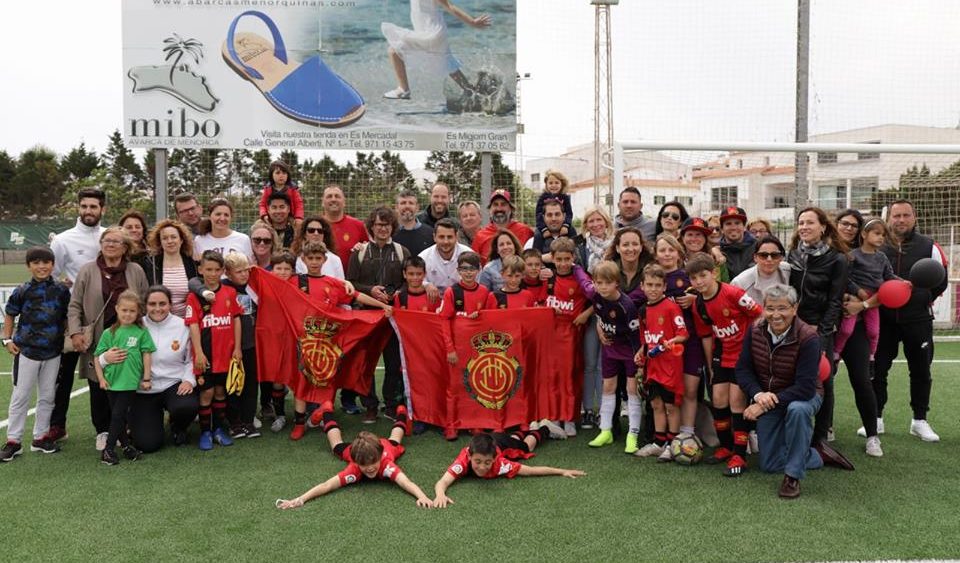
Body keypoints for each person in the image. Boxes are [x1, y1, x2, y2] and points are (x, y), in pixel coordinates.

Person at [289, 242, 392, 440]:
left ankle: (325, 416)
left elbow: (357, 295)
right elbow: (277, 287)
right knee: (302, 381)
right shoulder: (296, 281)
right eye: (310, 258)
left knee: (327, 378)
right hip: (305, 341)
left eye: (318, 258)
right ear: (303, 259)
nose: (314, 262)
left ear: (325, 260)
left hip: (328, 342)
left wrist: (380, 305)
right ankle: (300, 423)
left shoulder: (333, 283)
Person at [735, 284, 826, 499]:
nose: (776, 315)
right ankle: (815, 454)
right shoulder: (755, 329)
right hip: (769, 397)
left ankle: (792, 477)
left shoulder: (808, 337)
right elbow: (743, 369)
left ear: (795, 309)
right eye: (770, 308)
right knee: (769, 465)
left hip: (804, 396)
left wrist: (763, 403)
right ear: (764, 309)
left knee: (797, 410)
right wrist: (758, 395)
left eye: (783, 308)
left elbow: (805, 388)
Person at [67, 227, 149, 451]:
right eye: (106, 240)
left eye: (116, 241)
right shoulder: (87, 270)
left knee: (127, 385)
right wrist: (75, 332)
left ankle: (126, 430)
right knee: (99, 385)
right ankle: (103, 430)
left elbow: (143, 302)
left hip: (129, 339)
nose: (110, 244)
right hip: (99, 339)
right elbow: (74, 305)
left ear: (125, 247)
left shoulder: (136, 271)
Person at [872, 200, 947, 443]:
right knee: (878, 370)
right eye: (896, 216)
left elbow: (941, 279)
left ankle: (919, 420)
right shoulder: (877, 244)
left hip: (918, 320)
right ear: (889, 218)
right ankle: (876, 418)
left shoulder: (929, 246)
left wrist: (921, 298)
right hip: (883, 320)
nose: (901, 220)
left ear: (914, 218)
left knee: (921, 370)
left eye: (906, 215)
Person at [687, 252, 762, 476]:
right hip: (722, 355)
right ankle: (726, 447)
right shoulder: (698, 304)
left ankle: (740, 454)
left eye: (703, 275)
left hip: (744, 356)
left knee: (736, 402)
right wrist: (711, 366)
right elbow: (707, 336)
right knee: (718, 400)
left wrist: (754, 346)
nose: (699, 281)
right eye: (693, 278)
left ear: (714, 273)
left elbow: (759, 315)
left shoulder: (733, 293)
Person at [276, 403, 432, 508]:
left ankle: (402, 413)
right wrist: (299, 499)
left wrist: (422, 496)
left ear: (379, 457)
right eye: (365, 465)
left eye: (373, 463)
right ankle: (326, 411)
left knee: (395, 439)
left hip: (386, 447)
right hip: (358, 448)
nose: (370, 468)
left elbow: (406, 482)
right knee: (336, 446)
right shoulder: (354, 466)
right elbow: (327, 485)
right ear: (356, 462)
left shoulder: (386, 464)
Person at [787, 207, 851, 463]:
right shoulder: (792, 255)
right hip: (792, 326)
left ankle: (821, 436)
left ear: (823, 226)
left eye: (810, 223)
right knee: (791, 377)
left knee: (823, 380)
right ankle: (792, 431)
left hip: (818, 329)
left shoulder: (838, 259)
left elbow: (835, 301)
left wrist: (821, 331)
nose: (804, 227)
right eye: (801, 222)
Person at [47, 187, 106, 443]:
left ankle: (104, 428)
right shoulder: (62, 240)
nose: (88, 211)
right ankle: (57, 425)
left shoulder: (109, 236)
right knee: (62, 374)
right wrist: (63, 285)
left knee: (99, 373)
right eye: (84, 206)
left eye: (93, 207)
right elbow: (51, 275)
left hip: (103, 317)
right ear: (78, 208)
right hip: (73, 319)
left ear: (102, 209)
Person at [1, 247, 71, 461]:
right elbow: (10, 315)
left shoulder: (61, 290)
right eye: (36, 262)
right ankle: (14, 440)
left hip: (53, 352)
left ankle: (40, 437)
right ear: (29, 266)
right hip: (27, 351)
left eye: (46, 262)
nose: (42, 266)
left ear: (52, 264)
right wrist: (7, 339)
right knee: (21, 396)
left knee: (48, 396)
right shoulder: (22, 290)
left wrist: (69, 337)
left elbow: (66, 316)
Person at [343, 206, 411, 424]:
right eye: (379, 224)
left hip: (393, 317)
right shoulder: (359, 253)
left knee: (393, 363)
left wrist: (396, 293)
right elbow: (351, 284)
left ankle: (391, 405)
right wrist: (370, 290)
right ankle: (370, 406)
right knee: (366, 363)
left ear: (393, 226)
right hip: (365, 316)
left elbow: (409, 282)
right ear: (371, 226)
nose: (383, 228)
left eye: (387, 224)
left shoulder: (402, 252)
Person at [572, 260, 639, 452]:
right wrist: (575, 265)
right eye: (598, 282)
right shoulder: (594, 294)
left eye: (606, 283)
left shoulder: (626, 306)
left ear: (616, 283)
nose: (602, 287)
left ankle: (632, 434)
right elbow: (583, 280)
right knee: (608, 387)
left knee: (632, 389)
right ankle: (605, 430)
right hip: (610, 349)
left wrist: (639, 359)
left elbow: (636, 336)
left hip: (629, 351)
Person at [124, 286, 198, 452]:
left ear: (170, 304)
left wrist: (188, 380)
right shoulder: (135, 326)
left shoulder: (182, 326)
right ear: (145, 306)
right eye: (152, 304)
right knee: (148, 445)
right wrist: (105, 358)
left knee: (186, 406)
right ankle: (139, 421)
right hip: (143, 388)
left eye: (162, 303)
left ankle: (178, 426)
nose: (158, 308)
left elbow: (191, 359)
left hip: (173, 383)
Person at [833, 209, 882, 456]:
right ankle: (824, 429)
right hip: (826, 325)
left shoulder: (872, 256)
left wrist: (861, 304)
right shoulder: (824, 248)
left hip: (858, 323)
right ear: (835, 224)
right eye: (845, 223)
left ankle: (873, 435)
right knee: (823, 380)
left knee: (861, 380)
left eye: (854, 225)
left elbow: (882, 291)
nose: (849, 228)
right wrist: (843, 298)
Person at [432, 429, 586, 508]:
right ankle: (522, 433)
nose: (482, 467)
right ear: (470, 456)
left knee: (526, 447)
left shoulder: (501, 464)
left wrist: (562, 471)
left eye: (487, 462)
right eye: (477, 461)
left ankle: (543, 429)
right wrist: (440, 495)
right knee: (514, 439)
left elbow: (531, 471)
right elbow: (443, 482)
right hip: (494, 439)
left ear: (494, 459)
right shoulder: (463, 461)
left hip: (503, 444)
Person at [184, 250, 241, 451]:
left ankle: (218, 429)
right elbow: (192, 325)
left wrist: (238, 348)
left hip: (225, 354)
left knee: (220, 392)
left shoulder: (230, 293)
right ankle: (205, 432)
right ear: (200, 270)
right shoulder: (194, 297)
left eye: (217, 270)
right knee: (206, 393)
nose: (213, 273)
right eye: (208, 269)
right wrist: (198, 352)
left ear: (223, 271)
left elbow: (236, 319)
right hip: (206, 355)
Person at [93, 289, 156, 465]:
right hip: (111, 381)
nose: (128, 314)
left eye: (132, 311)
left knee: (118, 415)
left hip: (128, 381)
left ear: (138, 313)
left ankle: (109, 449)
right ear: (117, 309)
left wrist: (146, 378)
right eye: (124, 310)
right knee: (117, 415)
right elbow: (97, 357)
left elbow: (147, 354)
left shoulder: (141, 332)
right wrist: (101, 379)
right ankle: (124, 448)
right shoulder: (109, 333)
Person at [381, 0, 491, 100]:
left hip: (431, 33)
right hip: (434, 32)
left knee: (394, 50)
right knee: (447, 62)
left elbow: (450, 6)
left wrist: (472, 22)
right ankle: (472, 91)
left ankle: (403, 89)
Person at [633, 264, 688, 461]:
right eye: (649, 285)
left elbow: (683, 334)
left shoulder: (671, 307)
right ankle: (658, 442)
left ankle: (672, 445)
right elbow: (645, 339)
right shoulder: (642, 311)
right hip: (652, 366)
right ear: (642, 286)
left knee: (671, 406)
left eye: (658, 285)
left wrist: (669, 344)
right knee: (656, 404)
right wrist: (641, 352)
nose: (653, 289)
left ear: (664, 287)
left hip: (670, 366)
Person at [834, 219, 898, 365]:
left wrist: (903, 282)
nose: (881, 238)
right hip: (854, 299)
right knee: (846, 330)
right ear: (864, 234)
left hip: (874, 300)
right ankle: (836, 353)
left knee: (874, 331)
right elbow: (846, 278)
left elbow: (889, 276)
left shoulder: (881, 257)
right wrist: (858, 290)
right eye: (877, 233)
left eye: (883, 235)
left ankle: (871, 356)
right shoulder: (853, 255)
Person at [573, 206, 614, 428]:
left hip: (609, 312)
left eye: (599, 220)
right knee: (590, 363)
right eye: (591, 221)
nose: (596, 224)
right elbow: (585, 285)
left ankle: (603, 410)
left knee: (602, 364)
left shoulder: (615, 247)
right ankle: (588, 409)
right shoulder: (581, 248)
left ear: (606, 222)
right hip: (588, 312)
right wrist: (590, 309)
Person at [222, 253, 261, 439]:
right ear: (228, 273)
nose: (244, 274)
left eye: (246, 270)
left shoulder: (254, 287)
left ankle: (248, 421)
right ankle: (234, 422)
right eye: (239, 271)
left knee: (251, 385)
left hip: (252, 344)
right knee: (233, 384)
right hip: (231, 346)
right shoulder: (222, 289)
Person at [141, 219, 197, 318]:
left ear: (181, 240)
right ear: (160, 242)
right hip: (159, 320)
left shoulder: (192, 264)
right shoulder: (150, 264)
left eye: (174, 237)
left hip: (188, 322)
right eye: (165, 238)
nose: (170, 241)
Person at [471, 189, 534, 259]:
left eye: (503, 204)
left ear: (511, 208)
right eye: (495, 204)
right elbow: (474, 264)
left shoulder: (525, 231)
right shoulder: (480, 236)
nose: (499, 208)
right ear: (490, 209)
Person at [420, 218, 473, 298]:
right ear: (434, 237)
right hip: (433, 301)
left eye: (449, 237)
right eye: (441, 237)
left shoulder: (470, 255)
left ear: (456, 236)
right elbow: (414, 280)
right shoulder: (423, 258)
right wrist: (426, 285)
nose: (446, 241)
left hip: (464, 300)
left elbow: (478, 283)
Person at [731, 236, 792, 305]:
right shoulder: (740, 283)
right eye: (763, 255)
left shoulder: (787, 270)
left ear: (781, 257)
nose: (769, 259)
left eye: (775, 255)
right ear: (755, 258)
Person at [321, 184, 368, 267]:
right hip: (322, 278)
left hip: (350, 279)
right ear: (322, 202)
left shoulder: (359, 225)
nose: (333, 199)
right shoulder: (314, 227)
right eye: (329, 196)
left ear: (344, 202)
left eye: (337, 196)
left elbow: (367, 251)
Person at [258, 160, 304, 233]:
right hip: (271, 216)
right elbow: (262, 204)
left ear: (287, 175)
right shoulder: (267, 189)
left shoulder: (293, 189)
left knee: (298, 228)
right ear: (271, 175)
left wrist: (298, 217)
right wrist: (264, 215)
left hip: (289, 217)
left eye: (284, 173)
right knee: (257, 226)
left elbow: (299, 204)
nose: (281, 175)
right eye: (278, 173)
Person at [718, 206, 757, 279]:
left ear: (744, 227)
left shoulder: (758, 248)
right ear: (722, 229)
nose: (733, 227)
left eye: (737, 223)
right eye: (728, 224)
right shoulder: (717, 252)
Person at [394, 190, 435, 256]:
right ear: (396, 207)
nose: (407, 206)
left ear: (417, 208)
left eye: (411, 203)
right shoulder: (390, 233)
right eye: (403, 203)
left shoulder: (430, 233)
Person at [535, 170, 574, 237]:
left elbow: (569, 213)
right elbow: (538, 214)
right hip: (545, 226)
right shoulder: (542, 197)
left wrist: (565, 225)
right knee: (537, 235)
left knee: (572, 231)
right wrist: (544, 229)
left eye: (556, 183)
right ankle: (537, 248)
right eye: (550, 183)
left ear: (562, 184)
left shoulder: (565, 197)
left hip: (562, 225)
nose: (554, 185)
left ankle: (577, 247)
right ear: (546, 185)